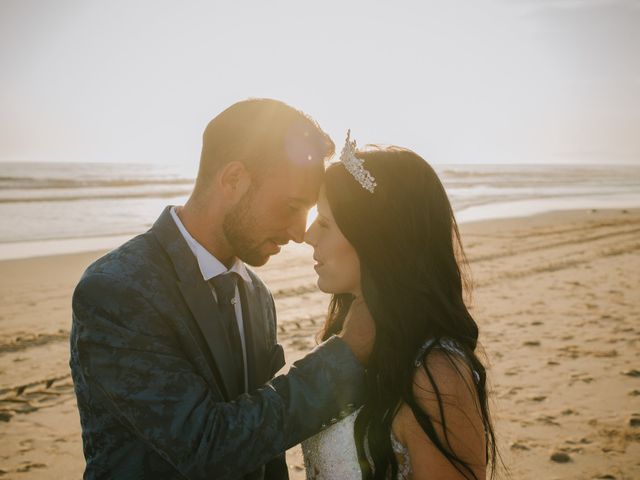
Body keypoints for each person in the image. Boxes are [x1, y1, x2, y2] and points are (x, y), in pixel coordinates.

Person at [69, 100, 374, 480]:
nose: (299, 232)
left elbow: (265, 444)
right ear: (233, 180)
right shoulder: (117, 289)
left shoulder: (257, 294)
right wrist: (345, 353)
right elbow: (205, 447)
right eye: (292, 206)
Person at [302, 132, 498, 479]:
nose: (308, 236)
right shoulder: (346, 340)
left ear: (375, 238)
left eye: (325, 223)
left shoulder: (437, 376)